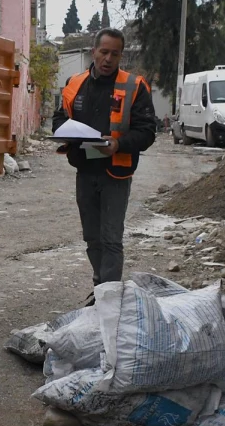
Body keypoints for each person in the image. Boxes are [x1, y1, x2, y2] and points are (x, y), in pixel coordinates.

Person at [52, 28, 158, 306]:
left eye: (115, 53)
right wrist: (65, 135)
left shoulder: (135, 86)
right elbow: (58, 121)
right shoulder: (75, 84)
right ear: (93, 51)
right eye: (104, 52)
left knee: (111, 238)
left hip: (116, 172)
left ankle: (109, 298)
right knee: (92, 237)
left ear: (121, 55)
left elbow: (147, 131)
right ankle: (101, 286)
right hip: (85, 170)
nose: (109, 59)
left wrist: (118, 144)